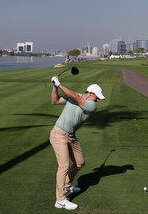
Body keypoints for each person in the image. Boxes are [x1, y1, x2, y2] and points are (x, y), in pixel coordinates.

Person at [49, 76, 105, 210]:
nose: (98, 100)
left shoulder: (92, 106)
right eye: (97, 97)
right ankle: (60, 200)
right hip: (58, 134)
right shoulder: (75, 97)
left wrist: (60, 84)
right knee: (63, 165)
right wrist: (55, 87)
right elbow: (55, 101)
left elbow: (76, 97)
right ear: (90, 93)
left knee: (80, 162)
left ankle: (67, 185)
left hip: (71, 136)